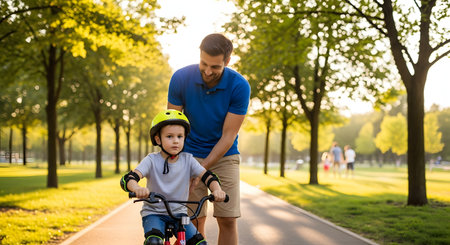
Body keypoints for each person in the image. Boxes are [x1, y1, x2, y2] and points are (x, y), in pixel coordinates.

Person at [167, 33, 251, 245]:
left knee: (227, 218)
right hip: (188, 154)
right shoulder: (180, 78)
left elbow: (229, 135)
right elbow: (173, 126)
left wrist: (202, 170)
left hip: (224, 155)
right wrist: (178, 165)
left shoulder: (239, 86)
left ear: (227, 61)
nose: (207, 71)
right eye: (204, 63)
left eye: (215, 67)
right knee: (192, 220)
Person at [120, 110, 227, 245]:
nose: (176, 141)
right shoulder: (151, 160)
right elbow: (129, 178)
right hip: (154, 213)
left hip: (180, 215)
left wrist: (216, 190)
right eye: (169, 136)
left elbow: (208, 177)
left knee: (200, 243)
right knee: (154, 242)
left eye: (180, 136)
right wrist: (137, 188)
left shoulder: (188, 160)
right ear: (158, 139)